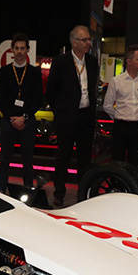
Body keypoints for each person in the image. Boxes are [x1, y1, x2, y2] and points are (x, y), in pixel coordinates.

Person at [45, 25, 99, 207]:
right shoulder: (61, 62)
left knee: (85, 158)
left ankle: (83, 194)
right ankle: (59, 193)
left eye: (89, 39)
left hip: (86, 116)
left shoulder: (92, 61)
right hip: (67, 117)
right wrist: (60, 110)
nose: (88, 43)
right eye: (84, 40)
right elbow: (51, 91)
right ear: (74, 42)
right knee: (63, 157)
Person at [0, 33, 42, 192]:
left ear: (27, 50)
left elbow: (38, 100)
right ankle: (1, 191)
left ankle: (28, 191)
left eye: (22, 48)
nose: (19, 51)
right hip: (9, 122)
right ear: (12, 50)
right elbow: (0, 99)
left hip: (28, 122)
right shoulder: (4, 71)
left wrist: (24, 117)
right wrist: (13, 118)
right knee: (4, 159)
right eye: (17, 48)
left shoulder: (34, 72)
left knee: (27, 160)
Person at [102, 44, 138, 165]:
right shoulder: (117, 81)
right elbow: (107, 105)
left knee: (134, 160)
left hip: (137, 126)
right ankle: (117, 178)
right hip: (120, 126)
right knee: (117, 159)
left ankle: (132, 179)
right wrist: (119, 116)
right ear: (129, 61)